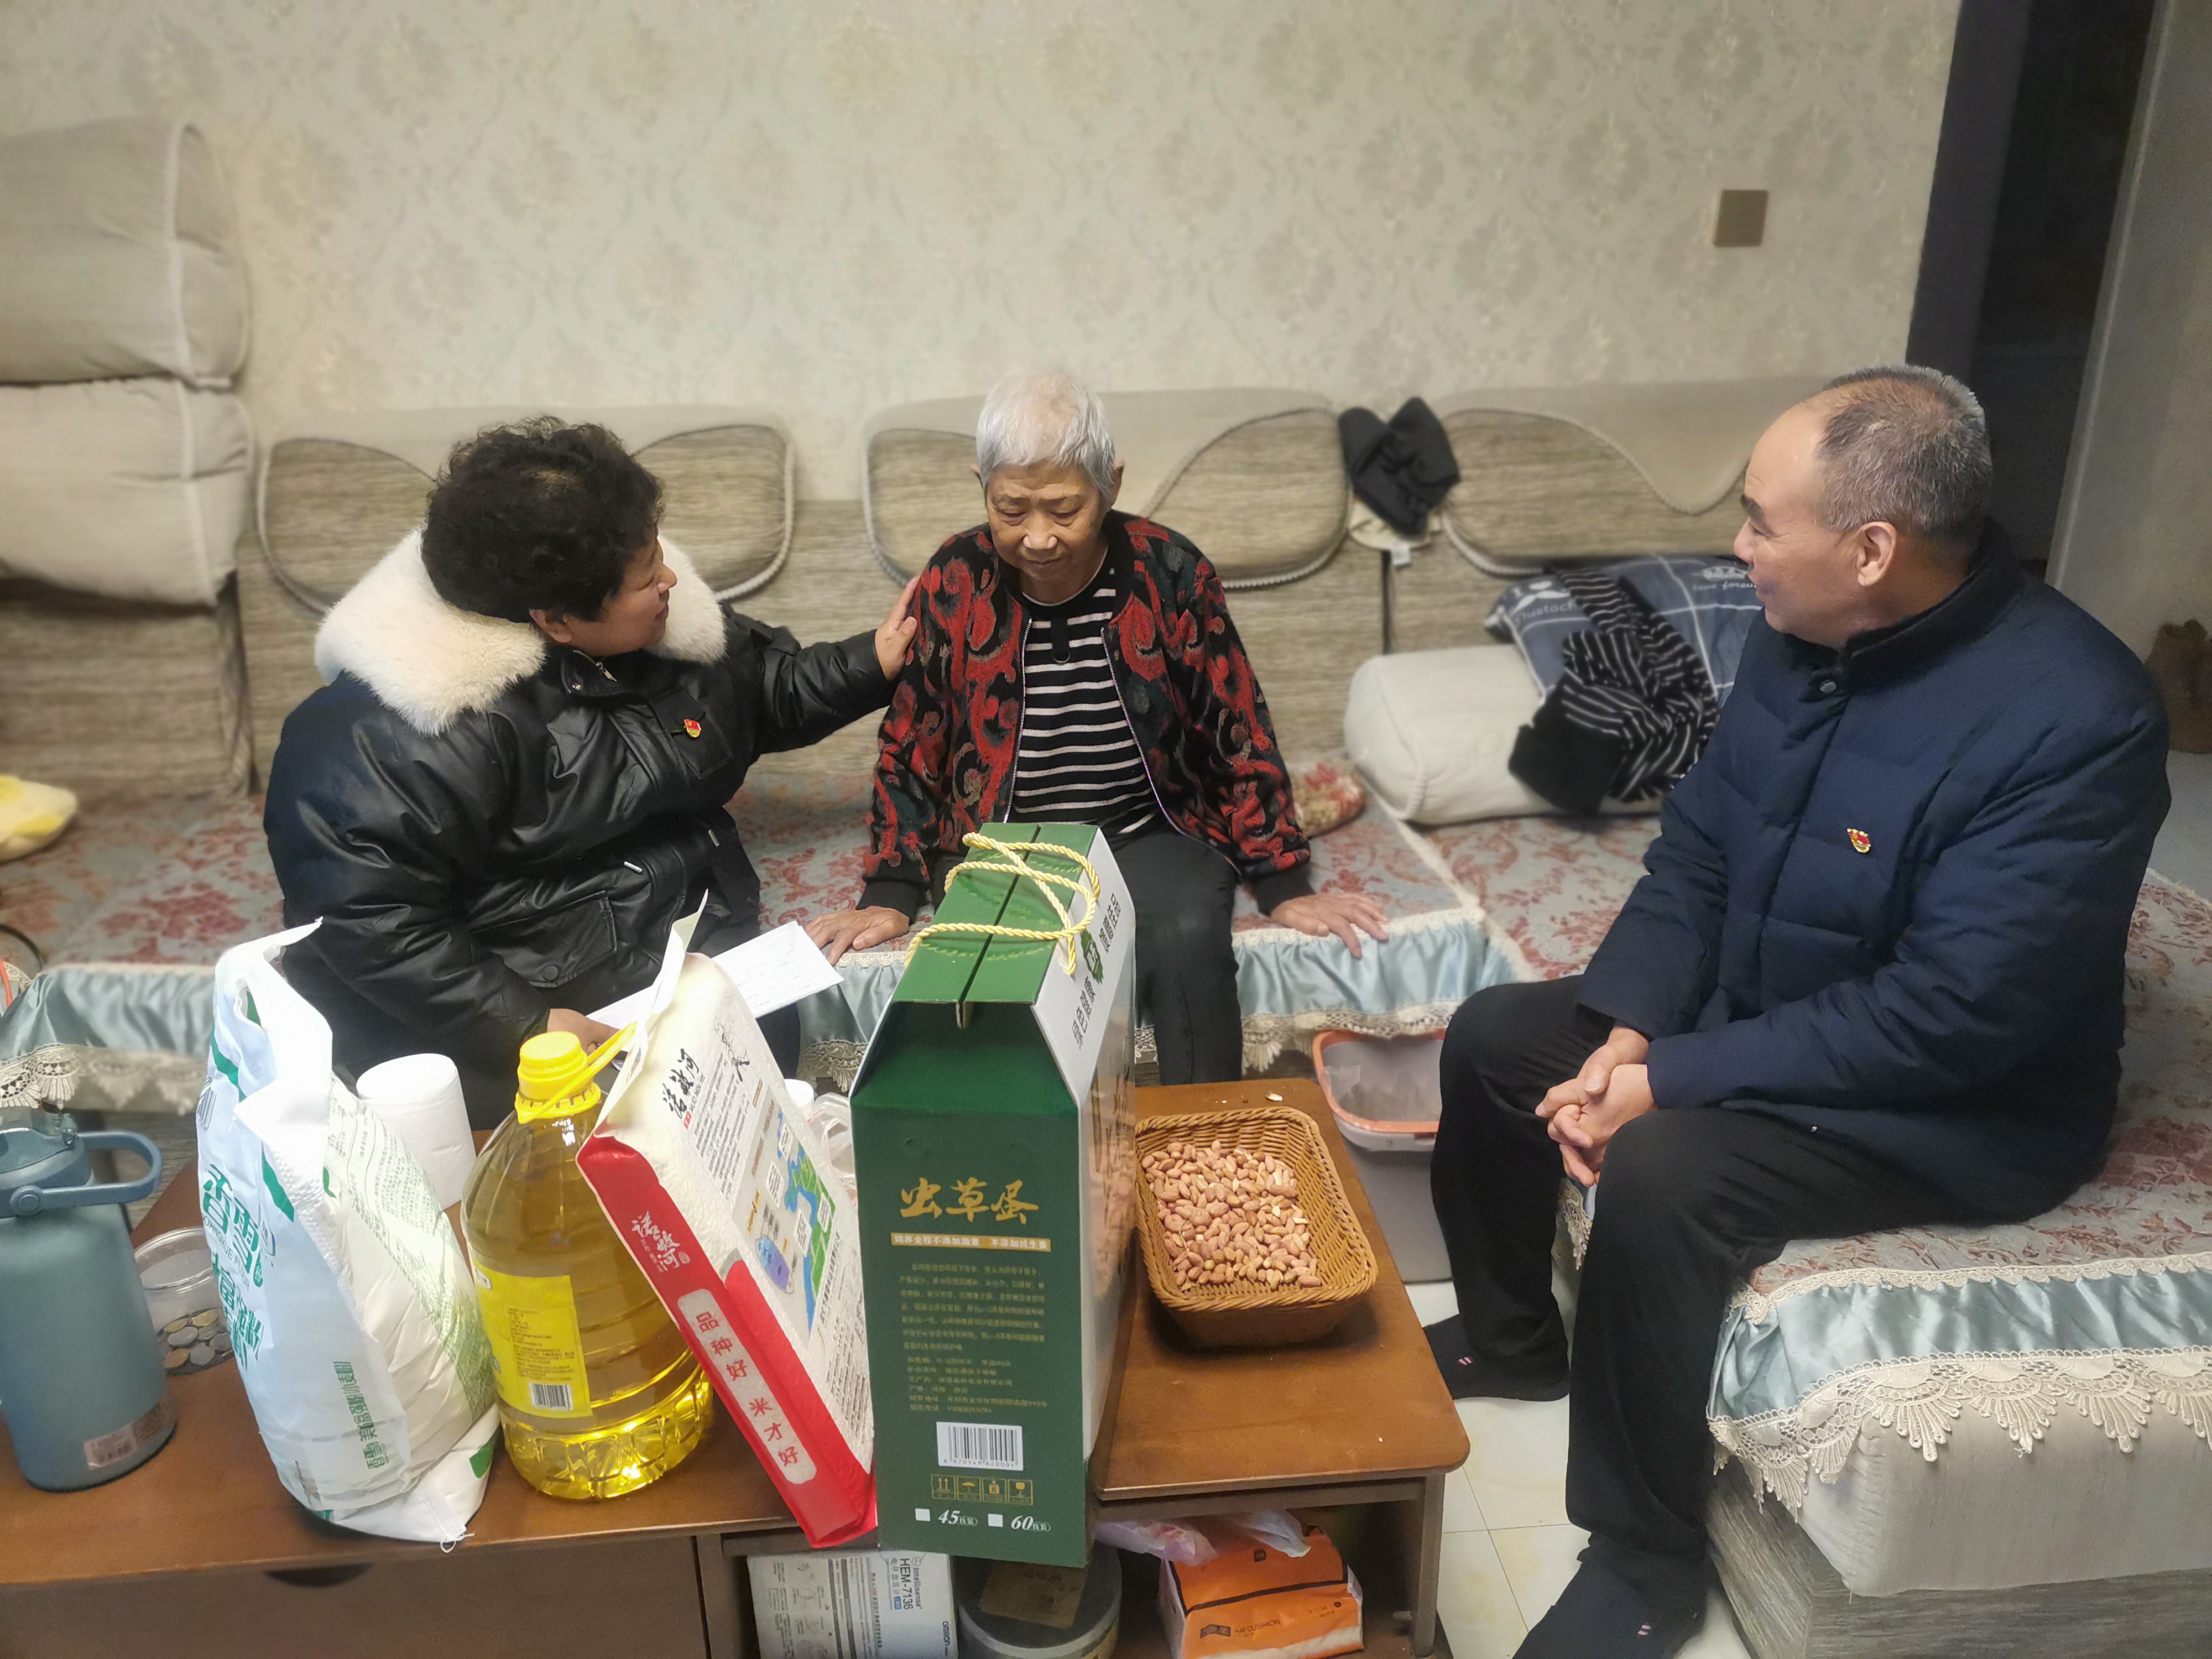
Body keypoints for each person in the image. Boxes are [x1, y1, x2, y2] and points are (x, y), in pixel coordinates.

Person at [1424, 367, 2169, 1657]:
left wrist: (1670, 1082)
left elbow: (1949, 1017)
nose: (1739, 547)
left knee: (1663, 1167)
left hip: (1958, 1103)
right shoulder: (1799, 639)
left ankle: (1644, 1561)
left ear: (1869, 550)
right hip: (1774, 1008)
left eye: (1761, 521)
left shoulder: (2076, 717)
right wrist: (1632, 1029)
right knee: (1498, 1036)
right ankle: (1511, 1342)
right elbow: (1698, 854)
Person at [265, 418, 918, 1126]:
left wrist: (871, 662)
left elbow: (752, 691)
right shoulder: (403, 728)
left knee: (769, 1083)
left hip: (661, 931)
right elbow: (369, 919)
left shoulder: (649, 626)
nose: (670, 579)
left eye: (658, 554)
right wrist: (527, 1026)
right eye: (647, 575)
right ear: (556, 621)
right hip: (509, 1004)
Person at [805, 370, 1388, 1084]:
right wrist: (891, 892)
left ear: (1109, 484)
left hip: (1146, 834)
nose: (1038, 537)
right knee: (1001, 976)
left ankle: (1202, 1136)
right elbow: (910, 743)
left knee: (1187, 933)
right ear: (981, 486)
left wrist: (1282, 881)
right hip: (1004, 848)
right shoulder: (955, 578)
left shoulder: (1172, 571)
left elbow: (1235, 725)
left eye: (1063, 509)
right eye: (1011, 509)